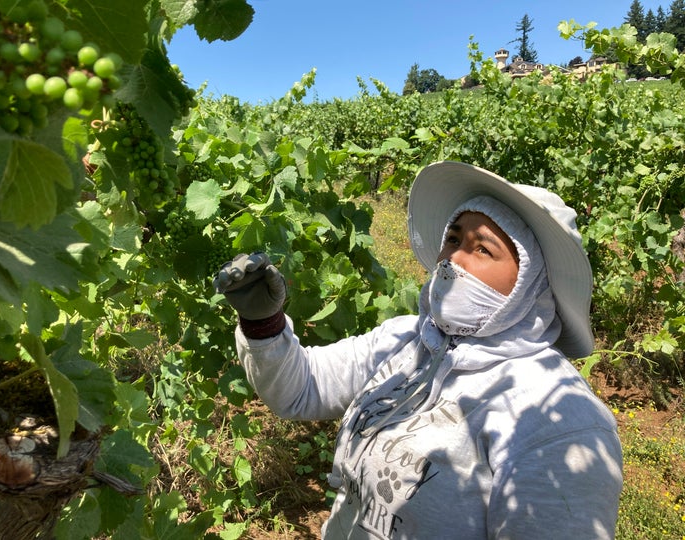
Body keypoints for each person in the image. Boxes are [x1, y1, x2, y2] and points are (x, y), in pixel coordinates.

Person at [214, 161, 623, 539]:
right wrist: (263, 324)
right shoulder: (405, 341)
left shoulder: (559, 423)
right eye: (453, 238)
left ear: (532, 283)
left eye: (482, 249)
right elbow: (303, 389)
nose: (453, 260)